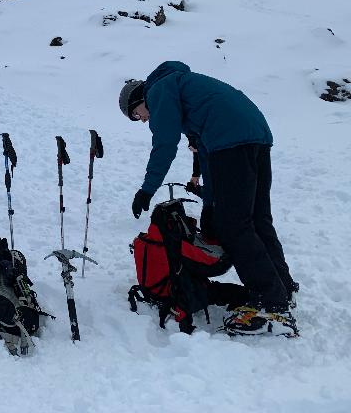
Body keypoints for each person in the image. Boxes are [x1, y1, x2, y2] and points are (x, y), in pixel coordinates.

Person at [119, 61, 298, 336]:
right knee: (257, 220)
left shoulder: (159, 90)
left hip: (231, 140)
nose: (142, 119)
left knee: (235, 225)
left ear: (140, 98)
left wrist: (147, 189)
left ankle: (271, 304)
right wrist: (210, 203)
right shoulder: (184, 87)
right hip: (257, 135)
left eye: (136, 114)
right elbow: (204, 153)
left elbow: (165, 143)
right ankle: (282, 288)